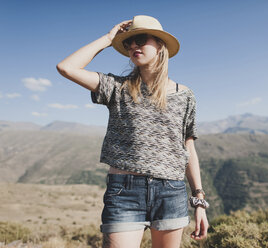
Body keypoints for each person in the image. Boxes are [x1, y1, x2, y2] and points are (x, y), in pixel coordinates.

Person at [56, 15, 209, 248]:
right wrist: (108, 39)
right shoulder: (117, 88)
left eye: (139, 39)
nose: (133, 46)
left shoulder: (184, 95)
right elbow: (66, 67)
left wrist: (199, 201)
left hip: (171, 191)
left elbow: (188, 147)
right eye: (128, 43)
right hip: (124, 193)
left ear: (160, 45)